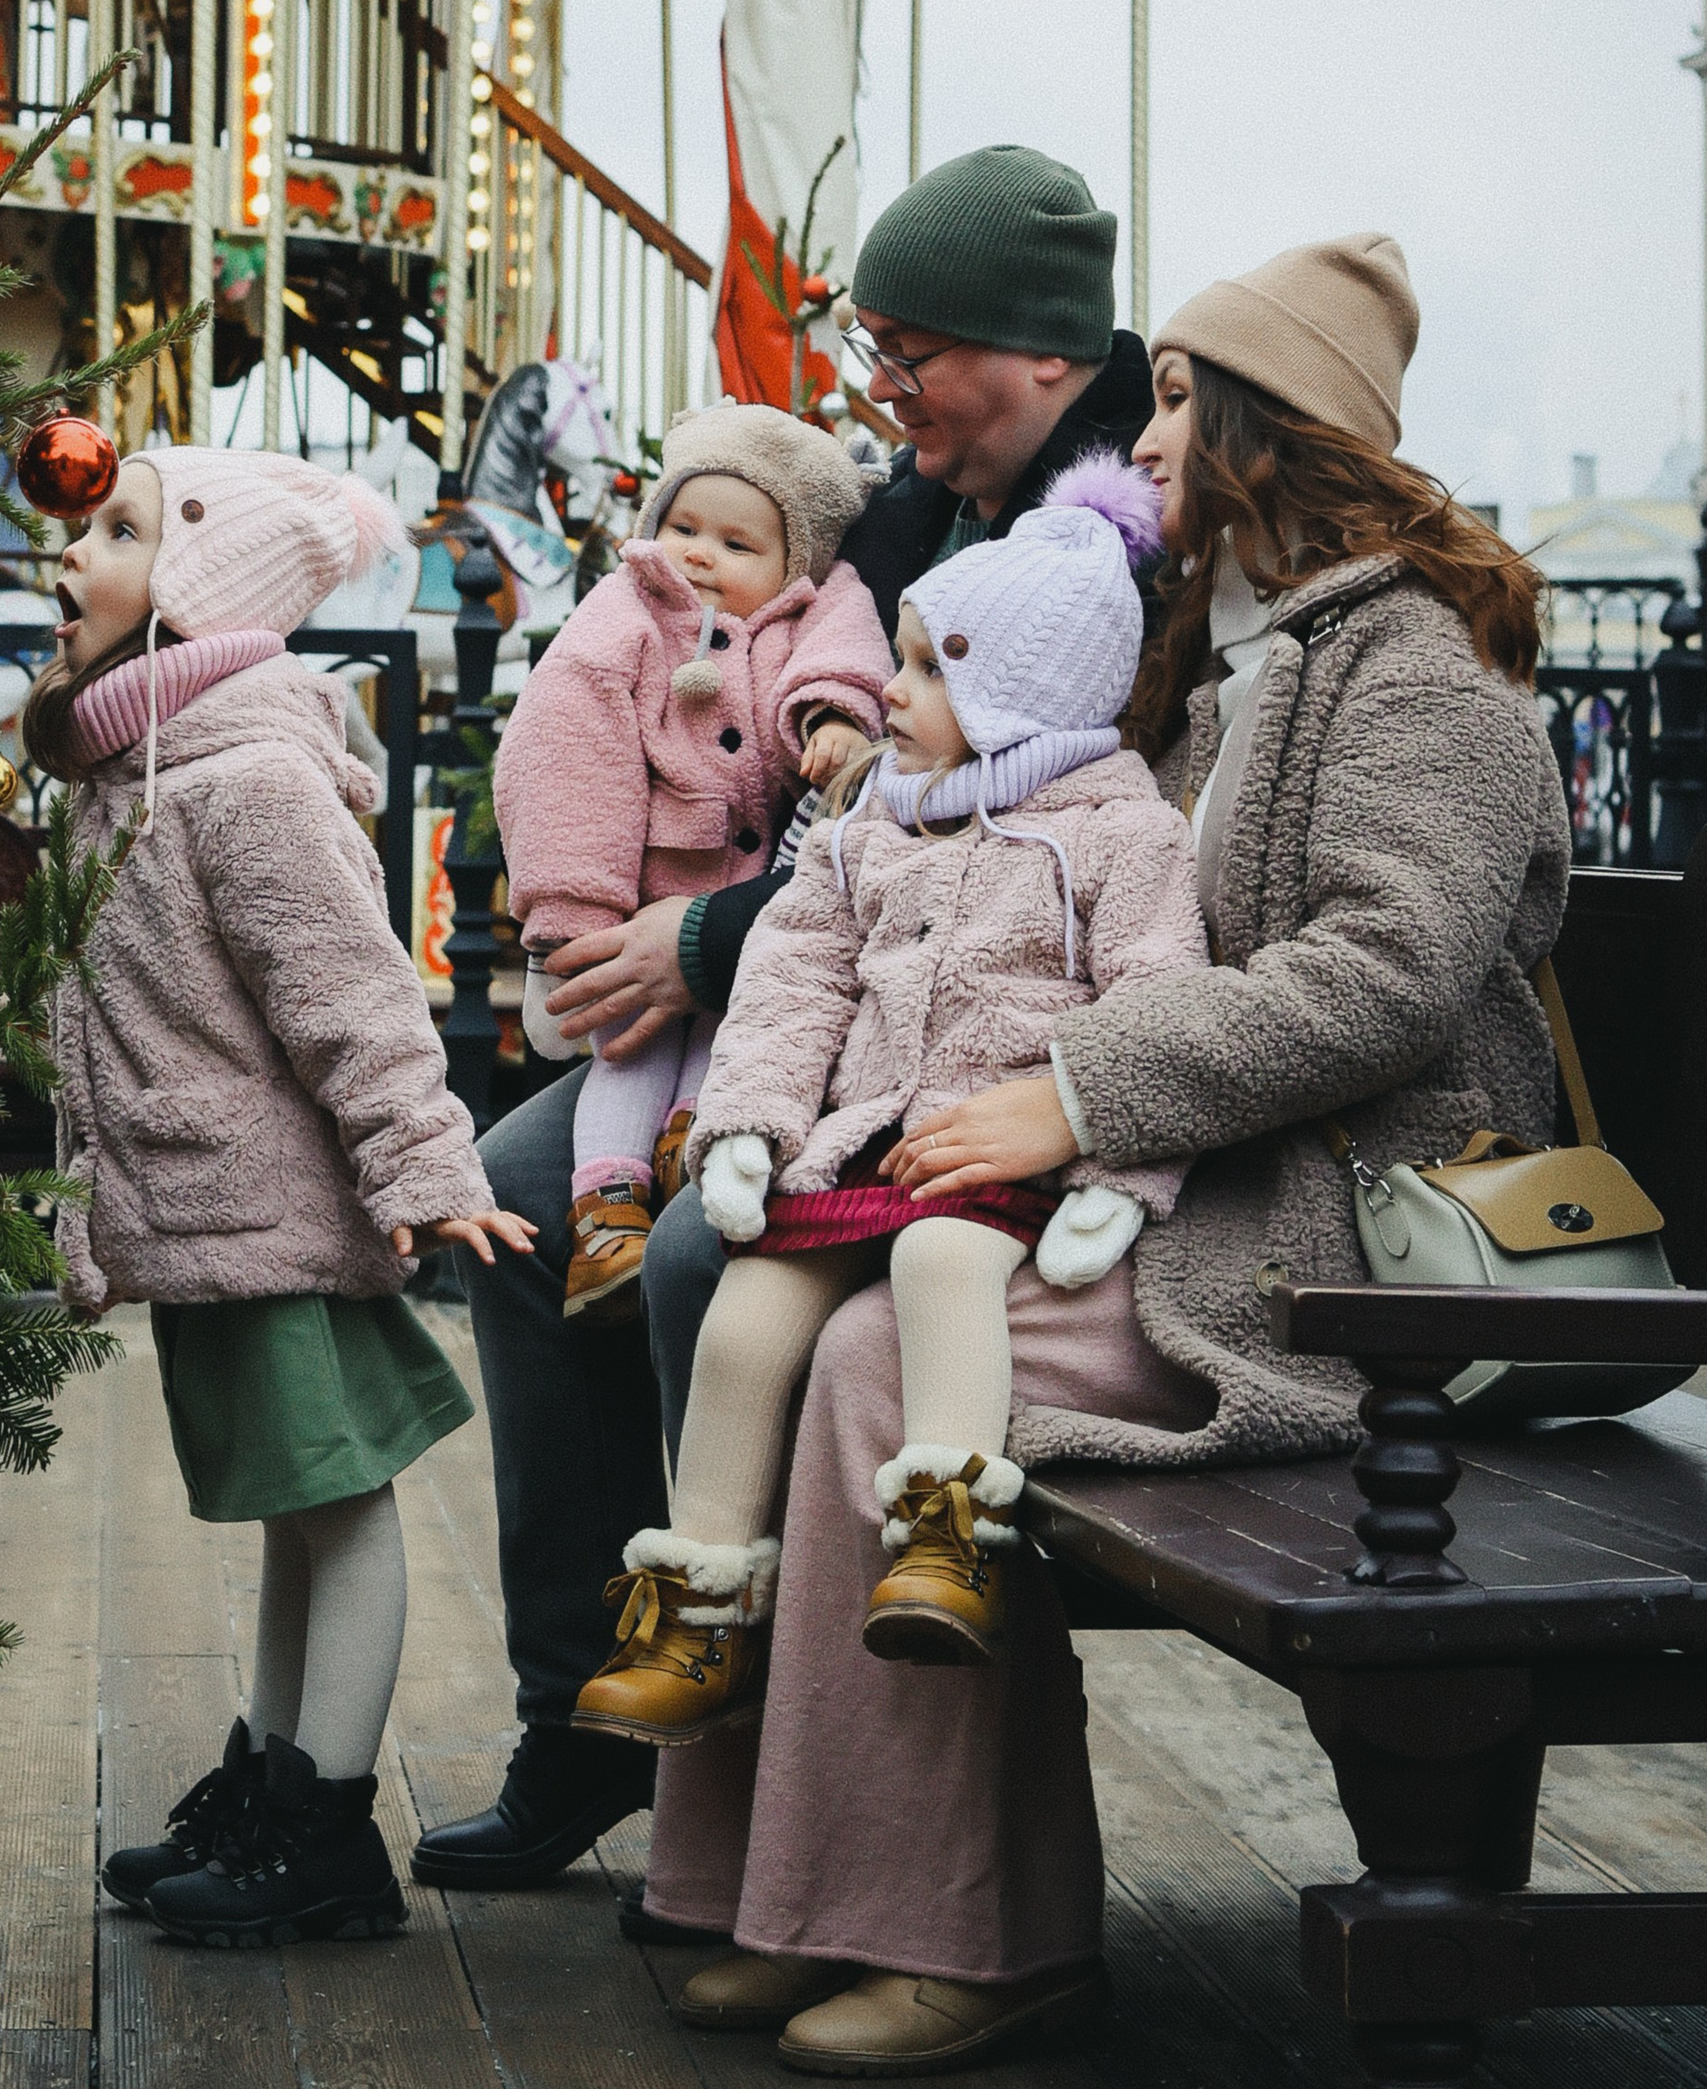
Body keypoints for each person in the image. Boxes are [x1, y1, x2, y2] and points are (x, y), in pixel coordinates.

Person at [648, 235, 1573, 2076]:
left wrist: (1078, 1093)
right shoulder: (1241, 666)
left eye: (1174, 405)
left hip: (1344, 1243)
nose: (1142, 446)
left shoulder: (1418, 678)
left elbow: (1387, 975)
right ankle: (790, 1894)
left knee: (883, 1359)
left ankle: (965, 1934)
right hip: (1220, 1187)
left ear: (1265, 430)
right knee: (821, 1320)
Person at [417, 144, 1152, 1894]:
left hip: (976, 1028)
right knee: (518, 1197)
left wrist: (702, 941)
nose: (881, 389)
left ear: (1041, 351)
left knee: (696, 1249)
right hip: (816, 976)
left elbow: (1044, 832)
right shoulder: (905, 517)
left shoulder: (1113, 540)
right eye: (871, 350)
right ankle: (583, 1710)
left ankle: (730, 1763)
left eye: (912, 354)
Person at [573, 456, 1202, 1741]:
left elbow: (1157, 1006)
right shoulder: (877, 823)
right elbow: (793, 978)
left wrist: (1118, 1177)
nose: (892, 694)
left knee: (941, 1265)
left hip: (1000, 1153)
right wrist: (749, 1124)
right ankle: (700, 1603)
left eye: (927, 671)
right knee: (748, 1315)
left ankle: (950, 1535)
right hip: (863, 1141)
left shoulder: (1120, 834)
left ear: (1018, 692)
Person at [35, 446, 537, 1949]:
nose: (71, 552)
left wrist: (424, 1163)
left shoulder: (245, 778)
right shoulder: (131, 766)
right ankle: (267, 1782)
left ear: (196, 589)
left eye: (119, 530)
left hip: (272, 1214)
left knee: (339, 1510)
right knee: (294, 1513)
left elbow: (351, 994)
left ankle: (325, 1834)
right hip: (210, 1209)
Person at [496, 406, 891, 1321]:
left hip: (757, 901)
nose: (701, 555)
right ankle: (605, 1211)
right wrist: (574, 910)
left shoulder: (817, 604)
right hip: (648, 893)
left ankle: (685, 1152)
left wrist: (835, 717)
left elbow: (848, 652)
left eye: (736, 544)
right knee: (629, 1048)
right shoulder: (628, 611)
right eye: (683, 527)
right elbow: (565, 749)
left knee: (730, 1038)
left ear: (794, 562)